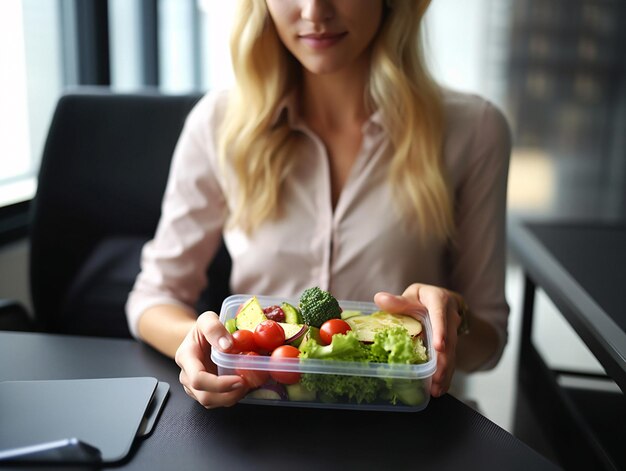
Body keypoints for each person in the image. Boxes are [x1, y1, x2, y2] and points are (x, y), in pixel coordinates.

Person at [126, 0, 511, 409]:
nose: (313, 11)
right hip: (259, 423)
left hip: (403, 431)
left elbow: (490, 344)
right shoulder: (218, 124)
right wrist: (197, 342)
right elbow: (154, 296)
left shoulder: (475, 130)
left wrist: (452, 320)